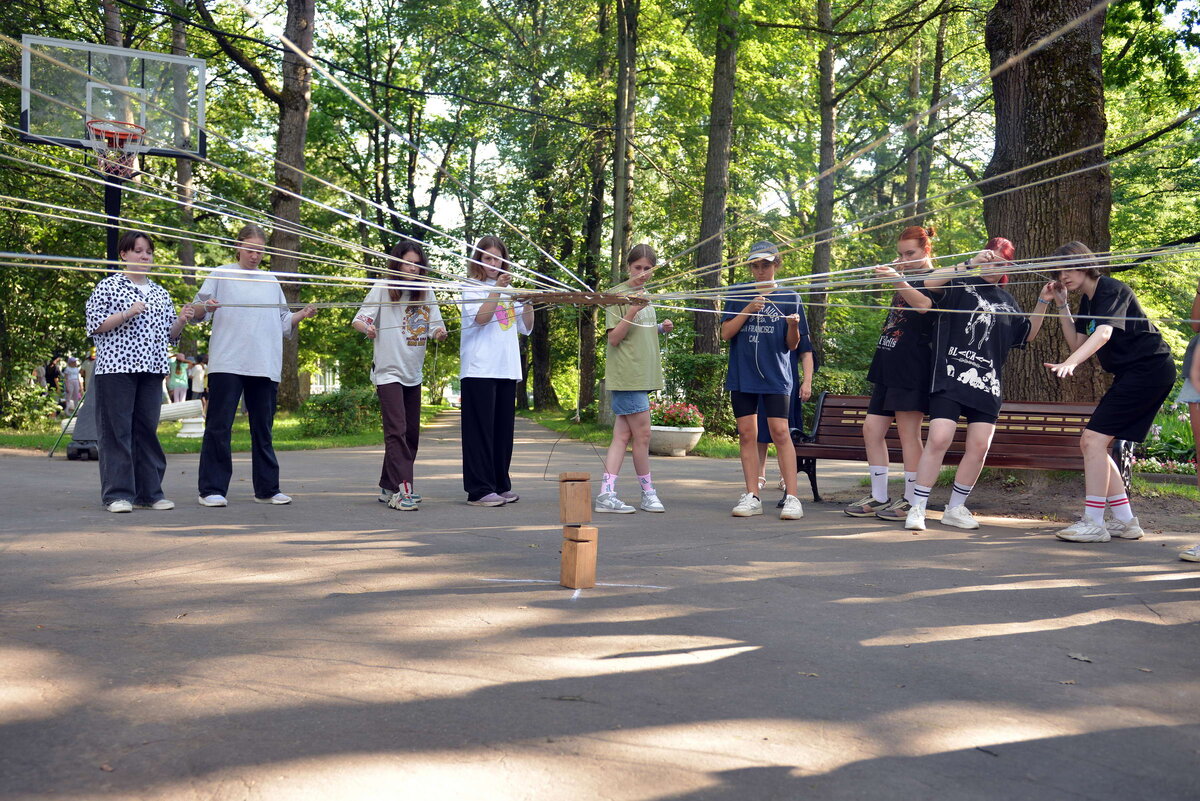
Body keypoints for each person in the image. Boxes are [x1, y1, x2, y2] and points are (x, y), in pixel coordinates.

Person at [903, 238, 1054, 531]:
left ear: (1007, 267)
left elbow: (1027, 334)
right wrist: (968, 263)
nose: (991, 267)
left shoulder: (1007, 300)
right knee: (939, 438)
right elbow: (929, 281)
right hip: (950, 377)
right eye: (988, 259)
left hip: (987, 383)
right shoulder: (958, 283)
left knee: (979, 446)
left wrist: (1044, 301)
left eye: (999, 263)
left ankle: (956, 508)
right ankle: (917, 507)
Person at [1043, 242, 1176, 543]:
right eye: (1059, 271)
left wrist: (1071, 364)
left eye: (1069, 268)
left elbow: (1103, 334)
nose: (1063, 276)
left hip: (1150, 369)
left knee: (1091, 440)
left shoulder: (1111, 289)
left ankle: (1093, 521)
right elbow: (1077, 344)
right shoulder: (1088, 302)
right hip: (1134, 374)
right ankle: (1126, 522)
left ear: (1085, 264)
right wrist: (1062, 304)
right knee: (1096, 444)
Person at [190, 224, 317, 507]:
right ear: (238, 247)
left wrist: (301, 315)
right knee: (219, 426)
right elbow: (197, 312)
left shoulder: (271, 281)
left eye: (260, 250)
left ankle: (268, 489)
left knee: (263, 428)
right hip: (227, 362)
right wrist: (207, 307)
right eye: (250, 249)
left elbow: (283, 323)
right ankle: (211, 489)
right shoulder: (221, 273)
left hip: (264, 363)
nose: (255, 255)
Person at [85, 231, 195, 512]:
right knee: (116, 431)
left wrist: (181, 320)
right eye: (137, 251)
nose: (144, 256)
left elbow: (170, 336)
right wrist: (126, 313)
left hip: (152, 368)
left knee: (147, 430)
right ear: (124, 255)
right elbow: (95, 325)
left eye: (148, 252)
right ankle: (118, 495)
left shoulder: (160, 292)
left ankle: (150, 493)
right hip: (116, 369)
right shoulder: (108, 286)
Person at [845, 225, 937, 522]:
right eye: (900, 254)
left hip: (913, 366)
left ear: (926, 250)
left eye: (910, 253)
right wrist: (896, 277)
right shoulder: (905, 276)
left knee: (909, 434)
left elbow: (924, 306)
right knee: (871, 430)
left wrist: (897, 279)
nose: (904, 259)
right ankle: (879, 495)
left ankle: (912, 500)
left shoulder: (935, 278)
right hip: (888, 360)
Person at [352, 239, 447, 511]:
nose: (413, 268)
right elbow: (360, 319)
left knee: (411, 434)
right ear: (397, 263)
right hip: (387, 371)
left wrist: (439, 333)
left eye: (417, 264)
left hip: (412, 372)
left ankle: (387, 483)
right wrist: (367, 329)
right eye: (408, 263)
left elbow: (434, 326)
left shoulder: (426, 291)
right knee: (396, 431)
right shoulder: (383, 288)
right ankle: (403, 489)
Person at [721, 240, 806, 520]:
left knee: (781, 433)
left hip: (776, 377)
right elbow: (725, 333)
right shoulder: (736, 293)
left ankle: (792, 496)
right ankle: (751, 495)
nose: (760, 270)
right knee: (747, 434)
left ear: (777, 264)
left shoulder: (790, 296)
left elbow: (792, 345)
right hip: (742, 374)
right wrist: (748, 309)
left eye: (766, 265)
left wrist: (793, 326)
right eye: (755, 265)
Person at [594, 244, 674, 514]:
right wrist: (631, 311)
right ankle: (648, 493)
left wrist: (660, 327)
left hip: (642, 374)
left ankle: (606, 493)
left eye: (647, 268)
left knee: (622, 436)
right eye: (637, 267)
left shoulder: (645, 294)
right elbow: (614, 338)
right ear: (628, 267)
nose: (641, 273)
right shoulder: (618, 296)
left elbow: (639, 330)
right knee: (643, 435)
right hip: (628, 376)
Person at [458, 235, 533, 506]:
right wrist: (498, 290)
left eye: (498, 258)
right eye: (487, 258)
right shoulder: (471, 286)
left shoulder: (508, 289)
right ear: (478, 260)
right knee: (480, 432)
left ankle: (500, 484)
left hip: (506, 368)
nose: (493, 263)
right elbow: (480, 318)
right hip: (479, 368)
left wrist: (528, 301)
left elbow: (525, 327)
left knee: (503, 432)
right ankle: (478, 490)